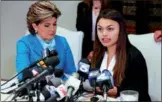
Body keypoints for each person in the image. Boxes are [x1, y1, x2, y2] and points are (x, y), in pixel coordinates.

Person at [90, 9, 151, 101]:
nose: (104, 34)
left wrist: (118, 91)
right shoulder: (97, 54)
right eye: (100, 29)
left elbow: (141, 94)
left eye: (110, 29)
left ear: (121, 30)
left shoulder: (134, 56)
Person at [16, 1, 76, 81]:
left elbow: (71, 73)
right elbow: (22, 75)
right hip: (36, 90)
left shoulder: (62, 41)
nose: (52, 29)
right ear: (35, 26)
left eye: (54, 24)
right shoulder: (24, 43)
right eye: (47, 25)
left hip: (61, 89)